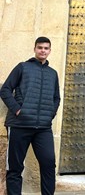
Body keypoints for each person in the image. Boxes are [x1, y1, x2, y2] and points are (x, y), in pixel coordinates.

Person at [0, 36, 60, 195]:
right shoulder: (22, 67)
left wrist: (50, 114)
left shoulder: (53, 73)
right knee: (15, 167)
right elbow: (5, 90)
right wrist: (18, 110)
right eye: (40, 47)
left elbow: (56, 98)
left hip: (43, 128)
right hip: (19, 125)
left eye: (46, 48)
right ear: (35, 49)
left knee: (48, 164)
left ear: (50, 51)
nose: (43, 51)